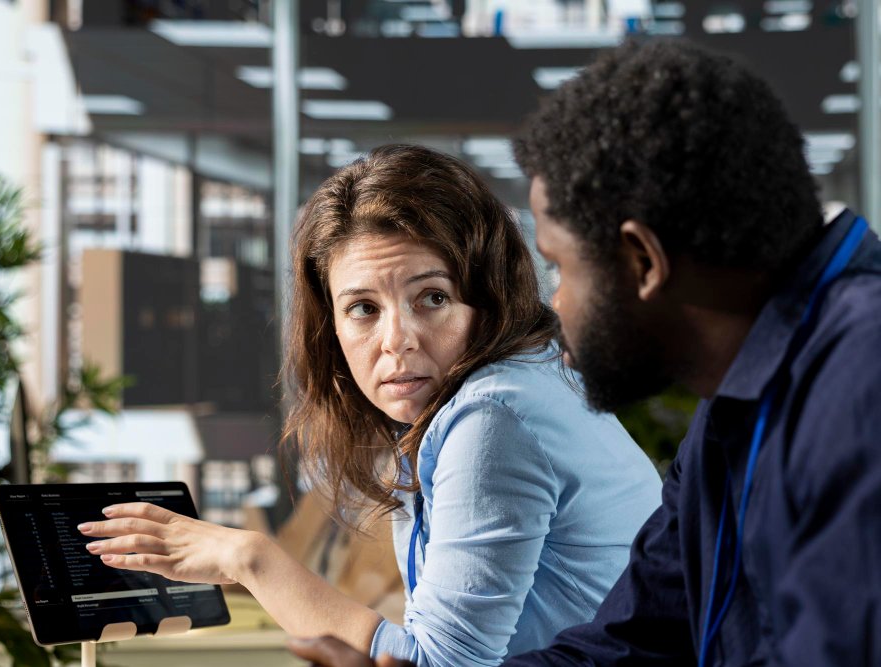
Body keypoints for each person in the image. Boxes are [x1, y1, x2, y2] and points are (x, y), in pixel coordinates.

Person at [288, 39, 881, 667]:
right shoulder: (733, 411)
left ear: (642, 262)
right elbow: (632, 643)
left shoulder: (858, 387)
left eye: (562, 269)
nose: (556, 309)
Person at [76, 144, 662, 666]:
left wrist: (248, 557)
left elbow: (437, 666)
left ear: (487, 299)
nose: (396, 340)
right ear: (331, 326)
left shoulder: (494, 418)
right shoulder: (523, 384)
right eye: (363, 308)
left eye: (432, 297)